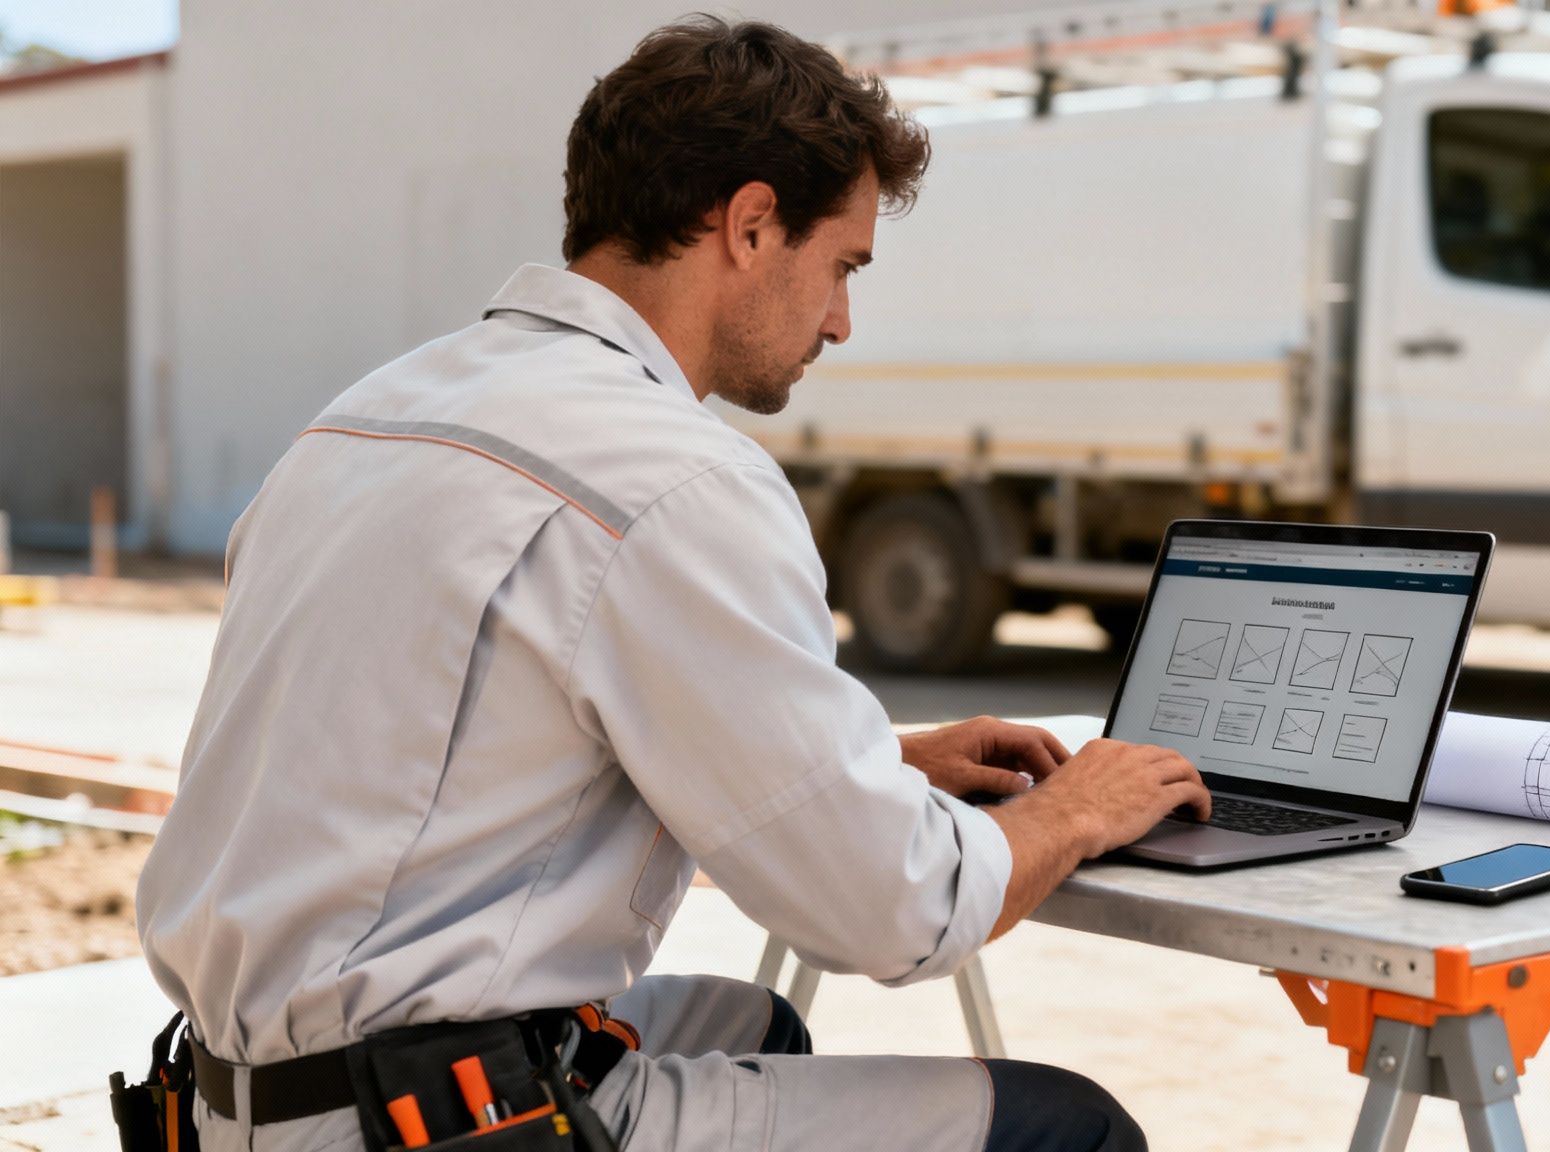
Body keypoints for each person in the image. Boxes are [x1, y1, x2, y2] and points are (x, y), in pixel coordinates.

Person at [133, 15, 1212, 1152]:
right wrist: (1077, 807)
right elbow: (893, 912)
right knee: (1071, 1128)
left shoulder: (371, 416)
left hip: (237, 1098)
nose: (841, 319)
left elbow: (458, 747)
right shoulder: (671, 479)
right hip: (423, 1122)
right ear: (749, 226)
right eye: (840, 265)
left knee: (749, 1024)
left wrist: (867, 765)